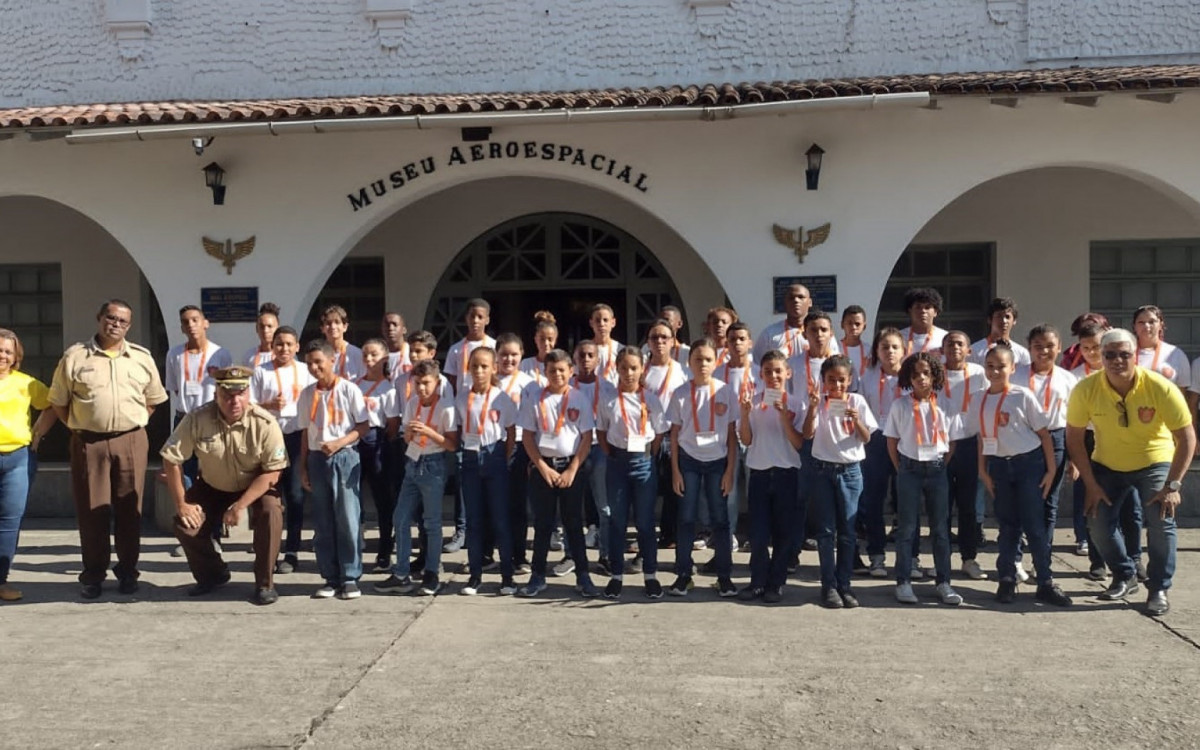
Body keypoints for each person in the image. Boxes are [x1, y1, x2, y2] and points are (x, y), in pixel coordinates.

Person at [1067, 328, 1195, 616]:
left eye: (1124, 354)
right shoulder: (1086, 389)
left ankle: (1159, 588)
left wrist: (1173, 485)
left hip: (1154, 462)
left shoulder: (1159, 387)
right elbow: (1074, 438)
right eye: (1109, 354)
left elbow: (1187, 437)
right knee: (1097, 524)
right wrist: (1090, 483)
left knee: (1161, 523)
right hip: (1107, 464)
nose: (1117, 360)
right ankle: (1125, 574)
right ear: (1100, 356)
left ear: (1135, 355)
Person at [49, 299, 169, 599]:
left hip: (131, 440)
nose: (115, 324)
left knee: (131, 510)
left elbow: (153, 399)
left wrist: (132, 421)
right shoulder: (75, 357)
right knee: (92, 512)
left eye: (122, 321)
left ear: (129, 326)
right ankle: (93, 574)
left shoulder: (141, 357)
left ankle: (128, 571)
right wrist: (79, 427)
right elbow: (59, 402)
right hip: (89, 442)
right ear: (99, 317)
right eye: (110, 318)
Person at [163, 366, 288, 605]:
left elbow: (273, 472)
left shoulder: (265, 422)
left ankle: (264, 584)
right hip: (213, 484)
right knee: (184, 524)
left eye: (240, 393)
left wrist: (240, 506)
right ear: (216, 395)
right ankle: (213, 574)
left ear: (248, 394)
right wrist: (181, 503)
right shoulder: (197, 419)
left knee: (272, 512)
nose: (234, 400)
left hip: (254, 485)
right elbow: (171, 459)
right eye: (227, 395)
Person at [975, 345, 1072, 606]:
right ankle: (1007, 579)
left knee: (1034, 525)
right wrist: (983, 470)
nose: (995, 371)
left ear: (1013, 368)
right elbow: (982, 437)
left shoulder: (1022, 395)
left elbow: (1044, 435)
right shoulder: (980, 398)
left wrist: (1051, 470)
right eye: (990, 366)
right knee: (1007, 525)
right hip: (999, 466)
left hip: (1029, 464)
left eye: (1001, 366)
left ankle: (1045, 581)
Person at [516, 349, 598, 598]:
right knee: (543, 524)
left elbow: (587, 437)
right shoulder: (534, 399)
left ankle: (583, 575)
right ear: (544, 372)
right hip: (543, 468)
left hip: (571, 468)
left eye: (562, 370)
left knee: (573, 523)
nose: (557, 375)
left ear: (571, 371)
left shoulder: (579, 398)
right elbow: (528, 437)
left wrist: (573, 469)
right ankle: (537, 576)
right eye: (552, 370)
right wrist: (542, 467)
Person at [884, 351, 961, 606]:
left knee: (940, 528)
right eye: (915, 374)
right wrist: (902, 468)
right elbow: (892, 441)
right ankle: (903, 581)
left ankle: (943, 582)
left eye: (926, 373)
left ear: (935, 375)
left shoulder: (947, 405)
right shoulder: (900, 405)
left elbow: (952, 443)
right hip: (909, 469)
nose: (921, 379)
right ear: (908, 377)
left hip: (937, 469)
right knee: (907, 528)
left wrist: (938, 465)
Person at [377, 359, 458, 596]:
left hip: (433, 464)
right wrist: (410, 434)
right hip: (413, 462)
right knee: (400, 518)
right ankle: (401, 572)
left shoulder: (446, 408)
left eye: (426, 383)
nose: (422, 388)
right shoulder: (412, 403)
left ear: (437, 383)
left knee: (432, 522)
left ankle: (432, 572)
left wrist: (430, 432)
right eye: (418, 383)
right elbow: (405, 437)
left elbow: (453, 444)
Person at [666, 338, 739, 597]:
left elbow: (732, 435)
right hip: (688, 462)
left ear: (716, 362)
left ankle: (724, 576)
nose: (703, 364)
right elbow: (674, 435)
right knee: (686, 519)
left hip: (717, 463)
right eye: (698, 359)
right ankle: (684, 574)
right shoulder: (680, 393)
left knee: (721, 520)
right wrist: (675, 470)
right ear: (689, 363)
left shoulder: (725, 391)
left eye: (708, 359)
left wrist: (730, 470)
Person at [297, 340, 369, 600]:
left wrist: (340, 442)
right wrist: (303, 466)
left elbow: (363, 426)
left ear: (332, 361)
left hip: (345, 456)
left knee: (347, 518)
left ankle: (350, 576)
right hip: (318, 458)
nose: (314, 368)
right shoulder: (307, 394)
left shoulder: (349, 390)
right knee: (323, 521)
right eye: (309, 364)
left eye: (319, 362)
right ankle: (330, 576)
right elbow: (306, 432)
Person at [804, 355, 876, 608]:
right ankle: (829, 586)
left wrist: (856, 419)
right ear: (823, 381)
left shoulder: (857, 401)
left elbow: (866, 437)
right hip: (822, 470)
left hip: (850, 471)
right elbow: (807, 433)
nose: (836, 386)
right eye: (831, 380)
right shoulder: (819, 402)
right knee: (825, 532)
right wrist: (813, 407)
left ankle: (845, 584)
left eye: (841, 380)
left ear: (850, 380)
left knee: (848, 531)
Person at [597, 347, 667, 599]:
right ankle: (616, 575)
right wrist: (612, 454)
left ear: (642, 370)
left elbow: (659, 432)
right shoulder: (608, 400)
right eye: (624, 367)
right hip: (617, 462)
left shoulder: (651, 399)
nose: (629, 373)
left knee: (646, 522)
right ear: (617, 368)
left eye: (634, 368)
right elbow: (601, 433)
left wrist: (649, 453)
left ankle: (650, 574)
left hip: (643, 462)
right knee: (617, 521)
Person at [736, 350, 805, 604]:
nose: (773, 376)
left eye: (778, 371)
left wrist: (785, 417)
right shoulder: (752, 402)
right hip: (760, 473)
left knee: (784, 533)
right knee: (758, 533)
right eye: (768, 372)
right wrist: (744, 414)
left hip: (787, 473)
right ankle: (757, 582)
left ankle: (775, 583)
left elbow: (799, 444)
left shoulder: (797, 403)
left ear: (788, 372)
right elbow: (746, 439)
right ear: (761, 375)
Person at [248, 326, 314, 575]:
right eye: (279, 344)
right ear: (272, 346)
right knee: (270, 495)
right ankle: (269, 549)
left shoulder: (306, 371)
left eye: (289, 344)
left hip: (297, 437)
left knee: (295, 495)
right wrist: (269, 404)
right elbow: (248, 405)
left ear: (297, 347)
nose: (284, 349)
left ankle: (292, 550)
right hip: (270, 439)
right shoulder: (261, 372)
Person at [455, 347, 517, 596]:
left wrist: (503, 455)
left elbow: (511, 432)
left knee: (500, 519)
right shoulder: (461, 397)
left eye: (484, 366)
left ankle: (507, 577)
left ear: (493, 368)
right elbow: (458, 427)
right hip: (469, 457)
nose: (479, 371)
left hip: (494, 455)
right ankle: (475, 575)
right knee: (474, 520)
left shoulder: (502, 398)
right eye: (474, 366)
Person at [0, 329, 57, 602]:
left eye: (8, 351)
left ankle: (1, 581)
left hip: (17, 459)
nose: (3, 355)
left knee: (9, 523)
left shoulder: (27, 384)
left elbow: (53, 404)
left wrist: (37, 435)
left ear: (16, 356)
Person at [443, 299, 495, 554]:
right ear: (465, 319)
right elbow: (452, 385)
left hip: (489, 420)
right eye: (471, 316)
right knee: (464, 477)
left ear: (487, 319)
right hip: (465, 419)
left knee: (489, 479)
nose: (475, 320)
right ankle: (461, 528)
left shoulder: (494, 347)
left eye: (480, 316)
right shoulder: (456, 350)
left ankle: (488, 529)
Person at [1068, 319, 1114, 578]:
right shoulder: (1074, 377)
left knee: (1122, 501)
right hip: (1085, 438)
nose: (1092, 352)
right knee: (1088, 497)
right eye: (1086, 348)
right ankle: (1096, 559)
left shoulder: (1117, 371)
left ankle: (1131, 558)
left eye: (1096, 346)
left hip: (1115, 437)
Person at [940, 330, 988, 579]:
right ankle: (942, 559)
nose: (954, 348)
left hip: (970, 444)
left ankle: (969, 558)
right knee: (942, 507)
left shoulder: (979, 374)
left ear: (969, 350)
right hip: (941, 445)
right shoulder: (934, 372)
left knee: (968, 506)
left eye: (960, 344)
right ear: (942, 349)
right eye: (949, 344)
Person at [858, 327, 905, 578]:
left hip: (905, 442)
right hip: (875, 441)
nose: (889, 351)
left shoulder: (912, 376)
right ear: (876, 350)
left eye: (895, 347)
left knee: (905, 503)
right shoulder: (867, 377)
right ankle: (876, 556)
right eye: (884, 347)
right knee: (873, 501)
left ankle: (910, 559)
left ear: (903, 350)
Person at [567, 341, 617, 575]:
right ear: (574, 360)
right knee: (571, 506)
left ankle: (605, 555)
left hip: (599, 450)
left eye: (590, 355)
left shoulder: (608, 387)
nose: (586, 359)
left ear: (598, 360)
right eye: (581, 355)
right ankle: (571, 555)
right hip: (573, 450)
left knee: (604, 507)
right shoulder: (566, 386)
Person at [644, 319, 689, 552]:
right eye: (654, 338)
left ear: (673, 341)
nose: (659, 342)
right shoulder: (640, 370)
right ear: (648, 342)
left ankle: (669, 534)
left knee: (674, 490)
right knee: (648, 489)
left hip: (673, 437)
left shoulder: (682, 371)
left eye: (664, 337)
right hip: (647, 437)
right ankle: (646, 535)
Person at [355, 339, 399, 573]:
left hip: (378, 443)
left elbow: (393, 424)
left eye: (374, 355)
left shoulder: (388, 389)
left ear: (384, 359)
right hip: (355, 443)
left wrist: (380, 441)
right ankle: (353, 547)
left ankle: (384, 549)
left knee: (383, 499)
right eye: (365, 355)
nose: (369, 360)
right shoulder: (354, 385)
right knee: (353, 496)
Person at [495, 333, 535, 573]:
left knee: (518, 505)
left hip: (520, 446)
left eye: (514, 354)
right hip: (492, 445)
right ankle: (490, 554)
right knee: (492, 504)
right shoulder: (488, 380)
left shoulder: (529, 384)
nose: (508, 359)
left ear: (522, 355)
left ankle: (519, 556)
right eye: (503, 354)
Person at [1132, 305, 1190, 390]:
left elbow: (1182, 395)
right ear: (1134, 326)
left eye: (1152, 322)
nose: (1147, 326)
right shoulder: (1125, 353)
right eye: (1141, 322)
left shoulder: (1176, 354)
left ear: (1160, 325)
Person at [969, 297, 1031, 366]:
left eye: (1007, 317)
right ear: (989, 319)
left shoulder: (1022, 353)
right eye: (999, 316)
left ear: (1014, 321)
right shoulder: (975, 350)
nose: (1004, 321)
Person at [320, 304, 365, 381]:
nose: (333, 327)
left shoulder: (357, 354)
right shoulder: (318, 355)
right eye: (328, 323)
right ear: (322, 328)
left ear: (345, 327)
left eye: (337, 322)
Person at [899, 287, 948, 358]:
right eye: (918, 307)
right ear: (910, 310)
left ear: (935, 312)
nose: (923, 311)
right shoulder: (898, 337)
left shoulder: (945, 338)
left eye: (927, 307)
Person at [589, 303, 624, 386]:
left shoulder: (620, 349)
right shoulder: (585, 350)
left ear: (613, 322)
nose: (601, 324)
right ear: (591, 323)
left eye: (605, 320)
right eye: (597, 320)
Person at [519, 310, 557, 384]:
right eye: (542, 339)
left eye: (550, 339)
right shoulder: (526, 364)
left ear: (555, 340)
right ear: (535, 339)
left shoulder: (561, 364)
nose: (546, 343)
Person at [243, 302, 280, 368]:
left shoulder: (282, 355)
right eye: (262, 327)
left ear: (277, 328)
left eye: (269, 326)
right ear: (257, 329)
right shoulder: (250, 355)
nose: (265, 330)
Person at [839, 305, 870, 379]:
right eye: (849, 323)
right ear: (842, 325)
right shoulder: (835, 348)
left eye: (857, 324)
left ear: (864, 326)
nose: (853, 327)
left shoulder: (869, 350)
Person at [381, 312, 412, 381]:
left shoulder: (412, 352)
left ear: (404, 330)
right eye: (387, 325)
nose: (390, 328)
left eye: (395, 325)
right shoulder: (377, 355)